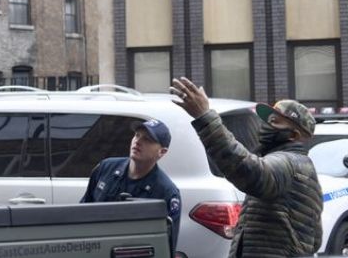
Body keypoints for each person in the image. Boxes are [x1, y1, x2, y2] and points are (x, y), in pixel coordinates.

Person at [170, 77, 322, 258]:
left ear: (294, 135)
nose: (266, 125)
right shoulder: (298, 167)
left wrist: (205, 117)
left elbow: (247, 170)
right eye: (266, 120)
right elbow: (315, 238)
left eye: (275, 121)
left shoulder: (289, 163)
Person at [80, 118, 182, 254]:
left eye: (147, 139)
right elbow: (83, 212)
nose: (138, 141)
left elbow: (166, 248)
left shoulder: (166, 192)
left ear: (162, 152)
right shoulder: (106, 168)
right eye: (137, 135)